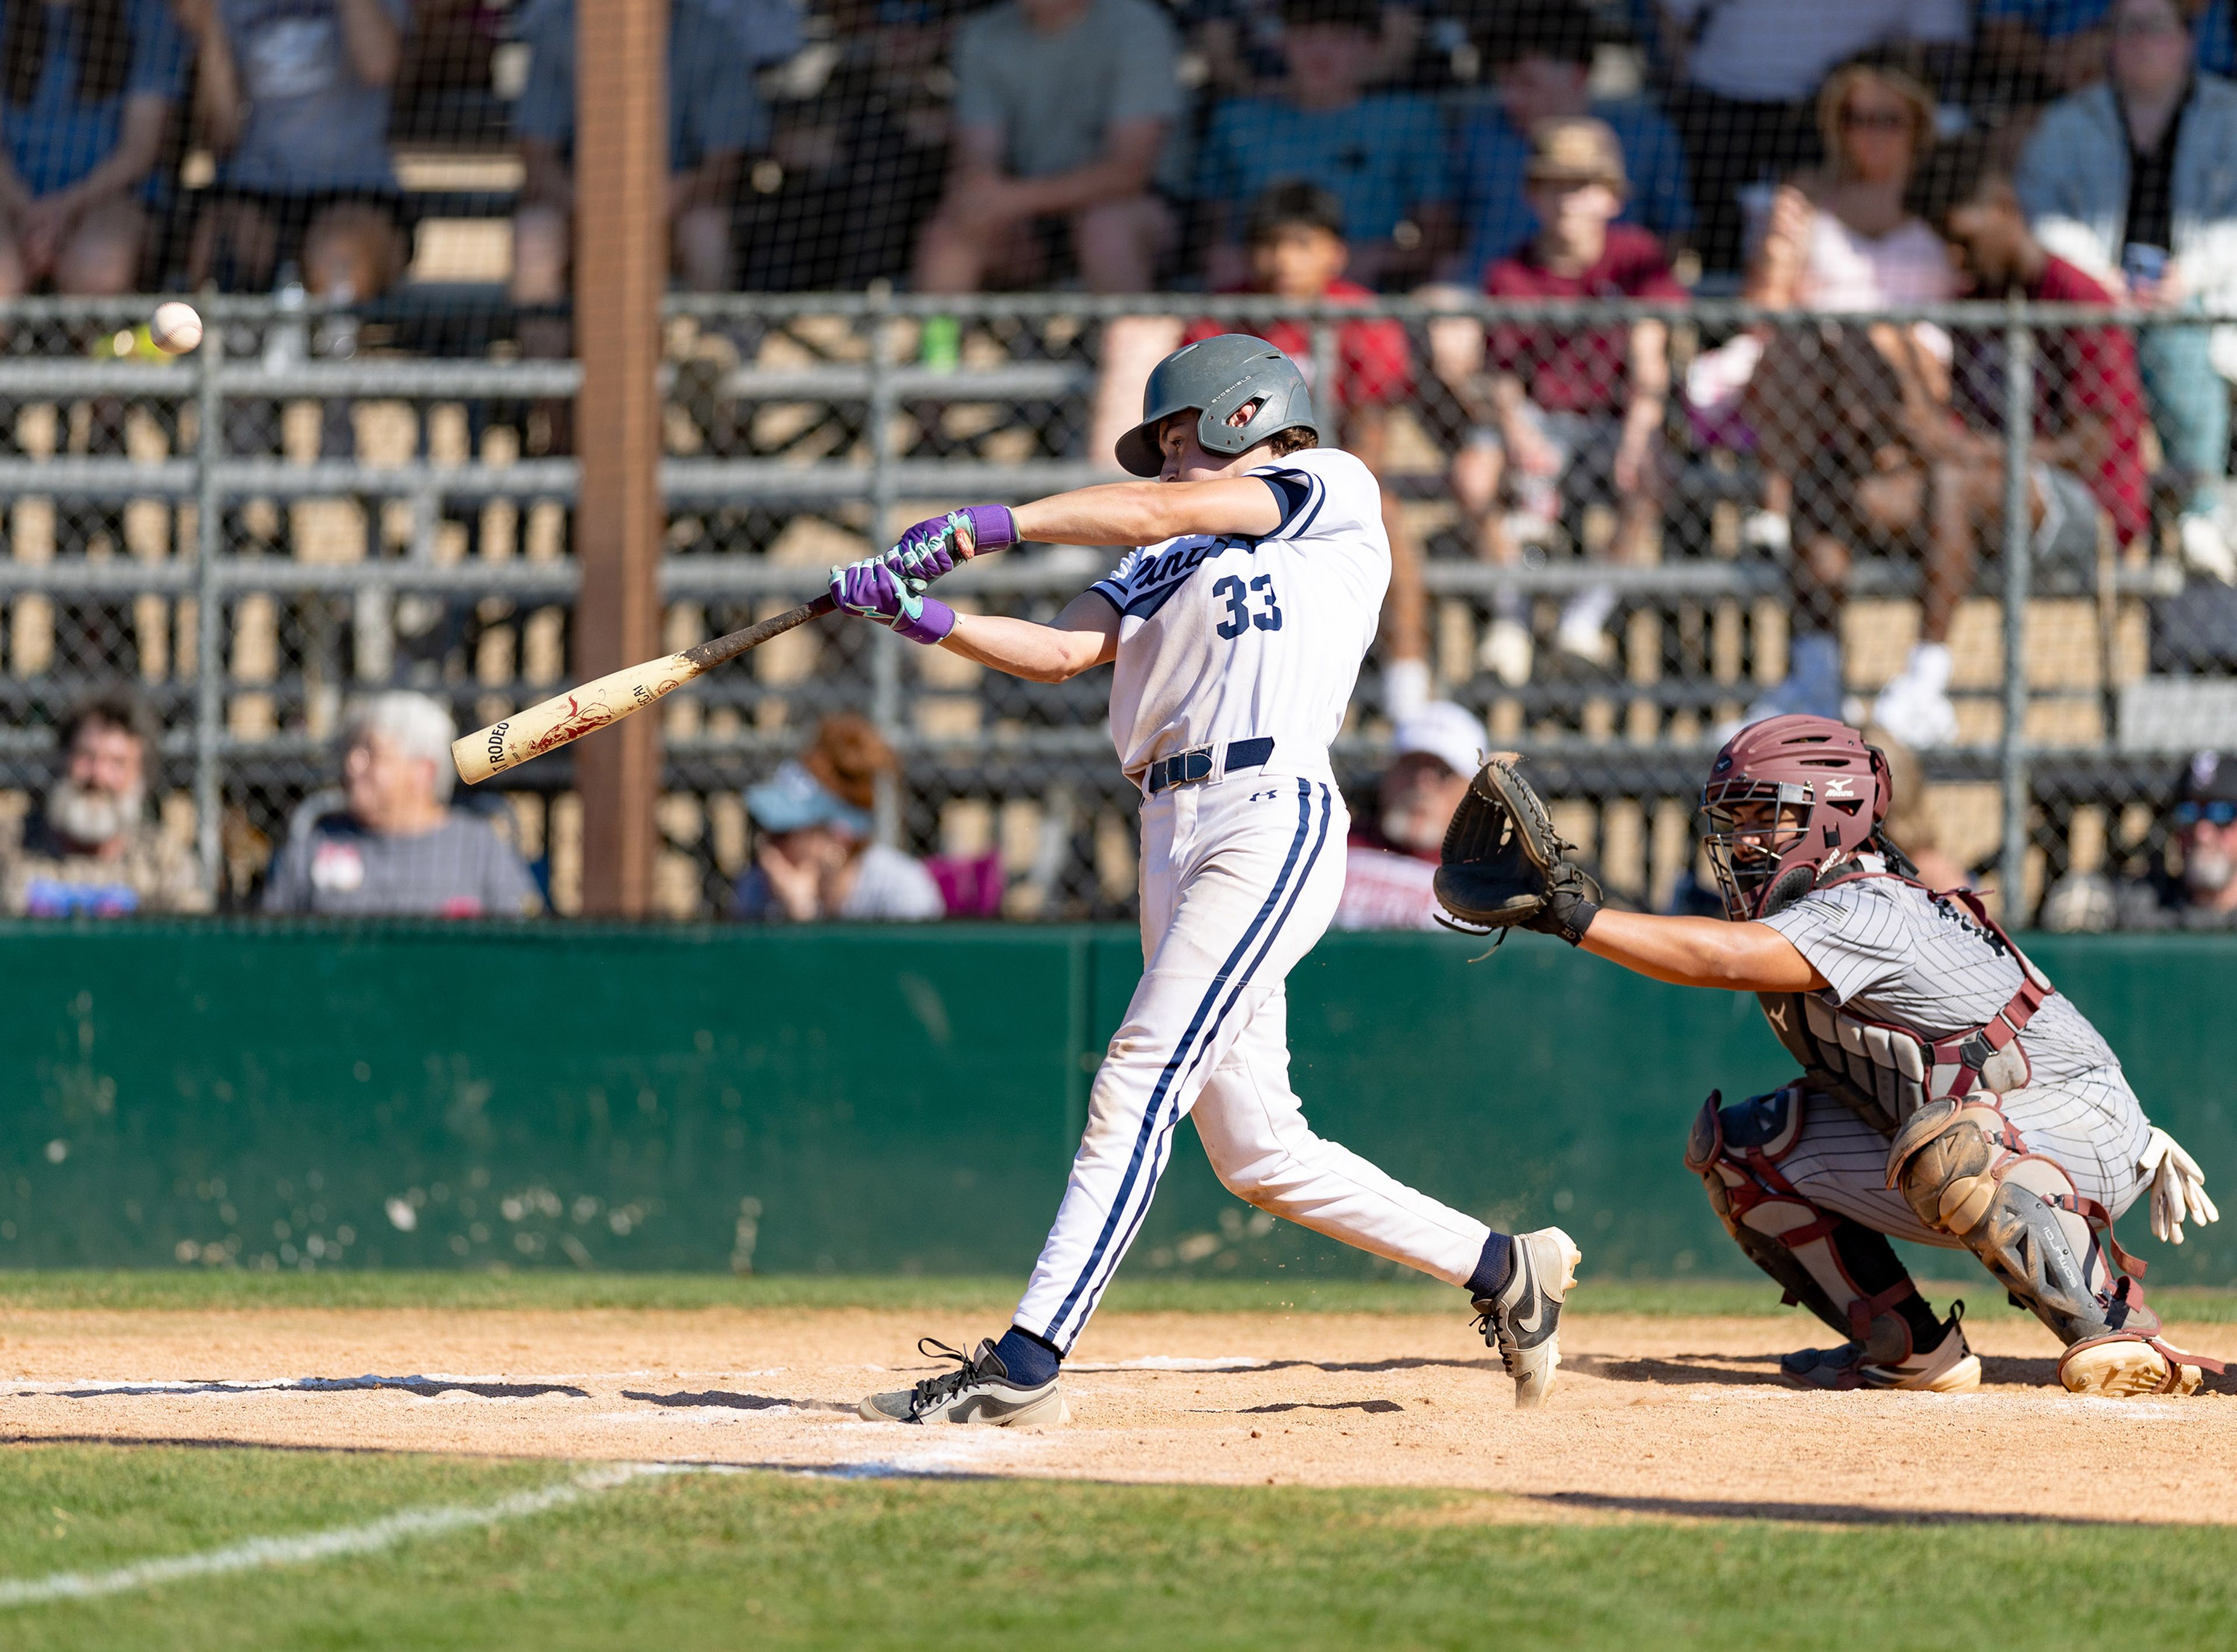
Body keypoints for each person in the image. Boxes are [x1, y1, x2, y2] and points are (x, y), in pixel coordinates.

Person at [828, 333, 1579, 1424]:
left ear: (1243, 415)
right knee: (1260, 1149)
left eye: (1180, 437)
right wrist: (918, 614)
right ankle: (1504, 1267)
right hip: (1169, 827)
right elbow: (1060, 652)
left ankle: (1028, 1362)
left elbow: (1155, 511)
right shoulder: (1155, 555)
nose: (1169, 461)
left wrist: (984, 525)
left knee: (1137, 1076)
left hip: (1267, 811)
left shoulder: (1326, 485)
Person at [1438, 714, 2223, 1399]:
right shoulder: (1825, 899)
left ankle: (2119, 1328)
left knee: (1952, 1148)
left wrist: (1577, 914)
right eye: (1734, 817)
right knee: (1745, 1149)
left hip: (2069, 1125)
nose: (1743, 838)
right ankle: (1911, 1352)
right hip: (1989, 1124)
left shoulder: (1868, 901)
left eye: (1764, 816)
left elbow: (1724, 960)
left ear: (1836, 814)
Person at [1857, 162, 2146, 749]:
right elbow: (1961, 425)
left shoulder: (2076, 297)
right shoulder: (1977, 302)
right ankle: (1817, 677)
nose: (1956, 257)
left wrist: (1981, 451)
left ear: (2007, 212)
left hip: (2085, 506)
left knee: (1957, 480)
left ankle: (1926, 680)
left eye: (1965, 239)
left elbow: (2092, 444)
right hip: (1987, 486)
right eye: (1947, 245)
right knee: (1864, 497)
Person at [1737, 59, 1960, 726]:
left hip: (1911, 380)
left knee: (1879, 344)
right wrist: (1781, 250)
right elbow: (1762, 312)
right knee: (1808, 343)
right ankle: (1777, 502)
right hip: (1812, 379)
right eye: (1857, 119)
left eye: (1888, 120)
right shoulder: (1806, 201)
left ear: (1916, 130)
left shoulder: (1942, 207)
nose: (1872, 135)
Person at [1445, 118, 1683, 685]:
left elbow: (1651, 358)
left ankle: (1585, 617)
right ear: (1533, 195)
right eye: (1554, 186)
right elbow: (1503, 378)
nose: (1569, 202)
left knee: (1650, 473)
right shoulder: (1511, 270)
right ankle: (1511, 618)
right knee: (1473, 474)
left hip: (1611, 419)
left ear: (1611, 197)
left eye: (1583, 186)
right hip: (1537, 419)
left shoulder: (1636, 258)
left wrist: (1637, 438)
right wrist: (1519, 438)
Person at [1179, 182, 1428, 714]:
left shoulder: (1360, 314)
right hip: (1236, 485)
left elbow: (1372, 430)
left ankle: (1408, 700)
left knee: (1390, 530)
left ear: (1335, 253)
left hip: (1330, 485)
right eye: (1270, 245)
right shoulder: (1224, 319)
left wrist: (1335, 493)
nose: (1283, 261)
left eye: (1301, 244)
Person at [2017, 0, 2237, 585]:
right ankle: (2120, 518)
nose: (2142, 42)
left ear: (2189, 41)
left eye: (2157, 28)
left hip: (2200, 305)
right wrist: (2101, 282)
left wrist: (2188, 275)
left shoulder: (2229, 117)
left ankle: (2200, 508)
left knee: (2180, 336)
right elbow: (2042, 214)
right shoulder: (2068, 124)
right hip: (2098, 311)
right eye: (2128, 29)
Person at [510, 0, 790, 337]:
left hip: (677, 209)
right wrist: (590, 207)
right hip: (578, 209)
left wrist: (665, 201)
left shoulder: (710, 35)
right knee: (535, 236)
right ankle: (545, 383)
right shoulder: (558, 30)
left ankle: (706, 368)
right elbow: (537, 156)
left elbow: (726, 161)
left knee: (707, 234)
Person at [1656, 0, 1967, 273]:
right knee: (1722, 236)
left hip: (1836, 107)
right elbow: (1672, 13)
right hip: (1724, 102)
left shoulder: (1857, 124)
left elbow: (1940, 42)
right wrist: (1682, 81)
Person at [910, 0, 1181, 295]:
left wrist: (1011, 199)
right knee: (949, 234)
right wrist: (981, 198)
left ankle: (1136, 340)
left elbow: (1130, 173)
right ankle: (939, 343)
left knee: (1105, 231)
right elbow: (979, 156)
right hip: (1029, 218)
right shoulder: (984, 33)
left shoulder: (1138, 25)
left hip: (1143, 211)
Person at [1193, 0, 1449, 290]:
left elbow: (1437, 234)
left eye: (1340, 38)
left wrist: (1375, 260)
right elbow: (1210, 230)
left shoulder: (1408, 119)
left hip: (1372, 302)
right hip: (1258, 297)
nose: (1321, 52)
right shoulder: (1237, 120)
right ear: (1282, 43)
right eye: (1306, 36)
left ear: (1371, 47)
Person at [174, 0, 411, 299]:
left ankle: (333, 339)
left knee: (338, 256)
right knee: (219, 246)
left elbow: (379, 66)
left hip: (354, 183)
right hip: (256, 186)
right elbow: (221, 136)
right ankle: (234, 340)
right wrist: (209, 29)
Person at [1448, 0, 1692, 281]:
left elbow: (1674, 236)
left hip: (1611, 310)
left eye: (1527, 83)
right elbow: (1447, 235)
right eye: (1503, 83)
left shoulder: (1646, 137)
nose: (1510, 98)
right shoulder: (1476, 136)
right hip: (1488, 305)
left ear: (1578, 77)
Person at [262, 691, 542, 916]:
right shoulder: (316, 844)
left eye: (372, 753)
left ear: (424, 771)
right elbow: (273, 948)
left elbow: (523, 948)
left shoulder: (479, 847)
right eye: (352, 751)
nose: (352, 765)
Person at [0, 0, 188, 295]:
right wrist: (27, 210)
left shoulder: (146, 13)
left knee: (100, 266)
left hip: (112, 198)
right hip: (13, 200)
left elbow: (140, 150)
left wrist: (65, 209)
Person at [0, 690, 207, 915]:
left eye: (117, 763)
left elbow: (191, 942)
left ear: (141, 776)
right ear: (62, 761)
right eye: (86, 756)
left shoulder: (164, 862)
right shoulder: (11, 847)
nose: (98, 776)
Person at [730, 713, 944, 922]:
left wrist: (803, 914)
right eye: (767, 830)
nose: (768, 848)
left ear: (839, 837)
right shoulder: (758, 890)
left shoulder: (900, 889)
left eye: (785, 833)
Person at [2043, 749, 2237, 930]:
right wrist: (2084, 894)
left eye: (2221, 813)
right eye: (2188, 813)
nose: (2201, 834)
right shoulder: (2149, 904)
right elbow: (2099, 894)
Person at [1332, 700, 1481, 930]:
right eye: (1411, 765)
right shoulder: (1335, 843)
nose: (1422, 784)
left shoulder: (1489, 879)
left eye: (1443, 773)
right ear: (1389, 774)